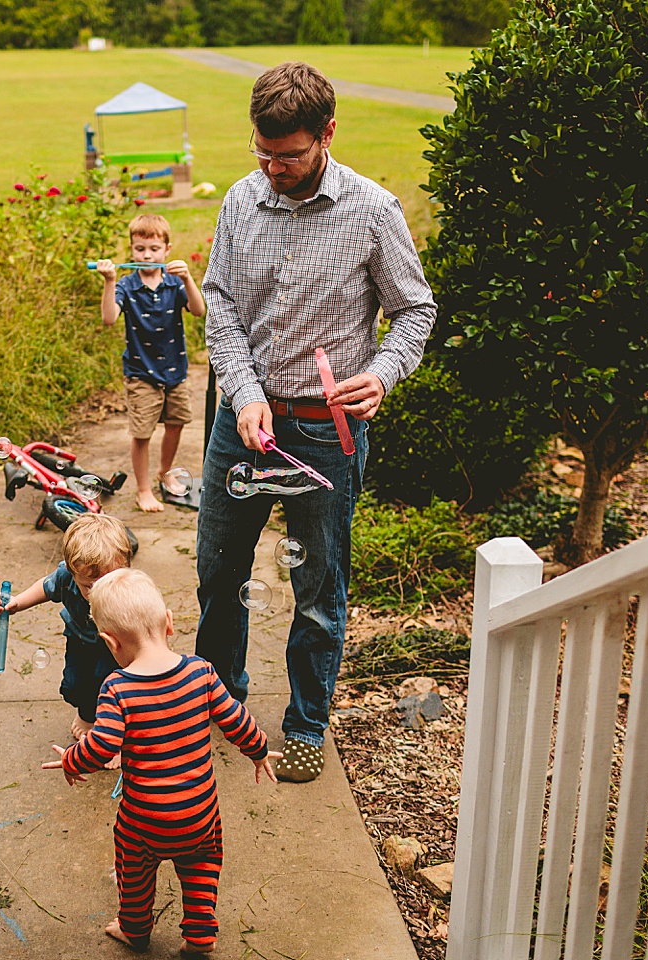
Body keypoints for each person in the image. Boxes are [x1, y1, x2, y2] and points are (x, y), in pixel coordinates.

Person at [196, 61, 436, 783]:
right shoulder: (240, 202)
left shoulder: (373, 210)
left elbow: (416, 310)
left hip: (325, 439)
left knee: (319, 590)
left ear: (327, 134)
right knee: (218, 576)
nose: (272, 168)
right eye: (262, 153)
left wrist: (383, 373)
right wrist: (242, 394)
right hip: (242, 425)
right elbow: (222, 308)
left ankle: (304, 724)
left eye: (289, 156)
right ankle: (218, 703)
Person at [41, 569, 280, 956]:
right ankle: (200, 934)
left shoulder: (117, 688)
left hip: (144, 821)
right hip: (200, 814)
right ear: (169, 622)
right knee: (202, 868)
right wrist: (258, 750)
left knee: (133, 871)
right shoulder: (202, 672)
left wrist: (72, 761)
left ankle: (135, 929)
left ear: (109, 642)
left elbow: (101, 746)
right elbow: (236, 719)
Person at [95, 213, 206, 512]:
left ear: (167, 250)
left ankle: (164, 473)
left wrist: (188, 278)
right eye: (140, 249)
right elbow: (108, 318)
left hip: (175, 371)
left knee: (176, 423)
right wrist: (109, 281)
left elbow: (198, 310)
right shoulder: (127, 285)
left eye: (154, 249)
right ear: (131, 249)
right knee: (142, 434)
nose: (146, 255)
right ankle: (143, 489)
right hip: (141, 373)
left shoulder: (173, 283)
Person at [0, 513, 132, 745]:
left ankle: (114, 739)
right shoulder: (67, 576)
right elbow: (46, 588)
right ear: (71, 570)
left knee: (113, 690)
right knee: (74, 686)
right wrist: (17, 603)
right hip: (79, 639)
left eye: (107, 582)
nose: (97, 591)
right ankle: (87, 714)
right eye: (88, 586)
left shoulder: (129, 587)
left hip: (117, 646)